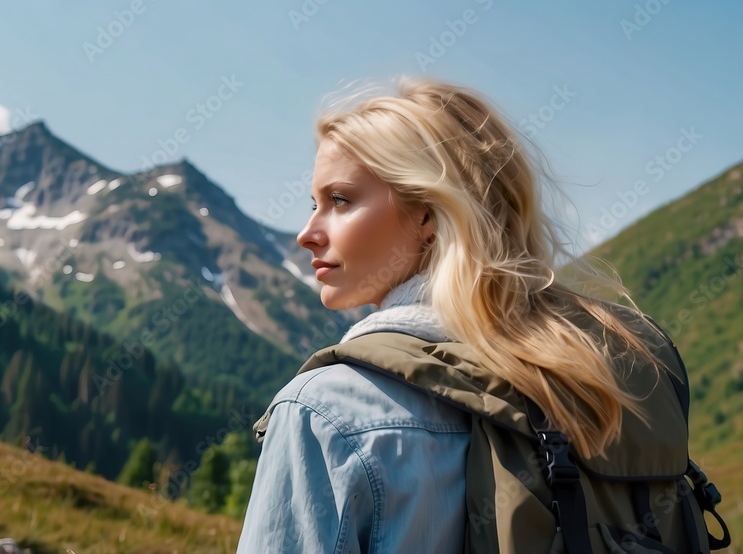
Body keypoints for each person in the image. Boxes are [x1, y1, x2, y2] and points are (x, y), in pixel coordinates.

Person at [236, 76, 677, 552]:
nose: (306, 233)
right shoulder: (607, 374)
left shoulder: (323, 410)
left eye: (340, 200)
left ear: (427, 213)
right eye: (313, 204)